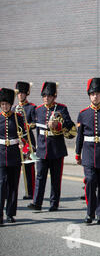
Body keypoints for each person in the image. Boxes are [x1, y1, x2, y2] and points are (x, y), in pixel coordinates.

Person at [28, 82, 76, 212]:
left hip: (57, 149)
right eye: (44, 96)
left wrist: (58, 125)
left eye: (49, 96)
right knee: (40, 177)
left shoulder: (61, 108)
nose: (46, 98)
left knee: (55, 179)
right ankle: (37, 202)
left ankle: (54, 204)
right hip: (42, 148)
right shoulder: (38, 110)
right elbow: (36, 129)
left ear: (54, 96)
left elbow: (70, 126)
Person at [75, 78, 100, 224]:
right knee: (90, 182)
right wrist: (77, 153)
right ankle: (89, 212)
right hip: (89, 154)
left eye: (97, 94)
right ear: (89, 96)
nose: (95, 96)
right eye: (92, 94)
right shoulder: (83, 113)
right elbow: (80, 136)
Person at [0, 88, 25, 224]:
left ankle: (10, 213)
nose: (5, 106)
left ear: (11, 104)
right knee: (1, 185)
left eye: (7, 104)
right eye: (2, 104)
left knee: (13, 186)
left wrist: (24, 146)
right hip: (1, 154)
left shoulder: (18, 118)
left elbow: (25, 135)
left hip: (15, 155)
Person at [13, 81, 37, 199]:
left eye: (22, 93)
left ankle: (31, 191)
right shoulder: (13, 108)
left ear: (26, 94)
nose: (20, 95)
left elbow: (35, 122)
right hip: (16, 140)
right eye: (18, 93)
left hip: (27, 140)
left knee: (29, 166)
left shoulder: (31, 107)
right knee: (13, 166)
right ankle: (11, 191)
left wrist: (28, 125)